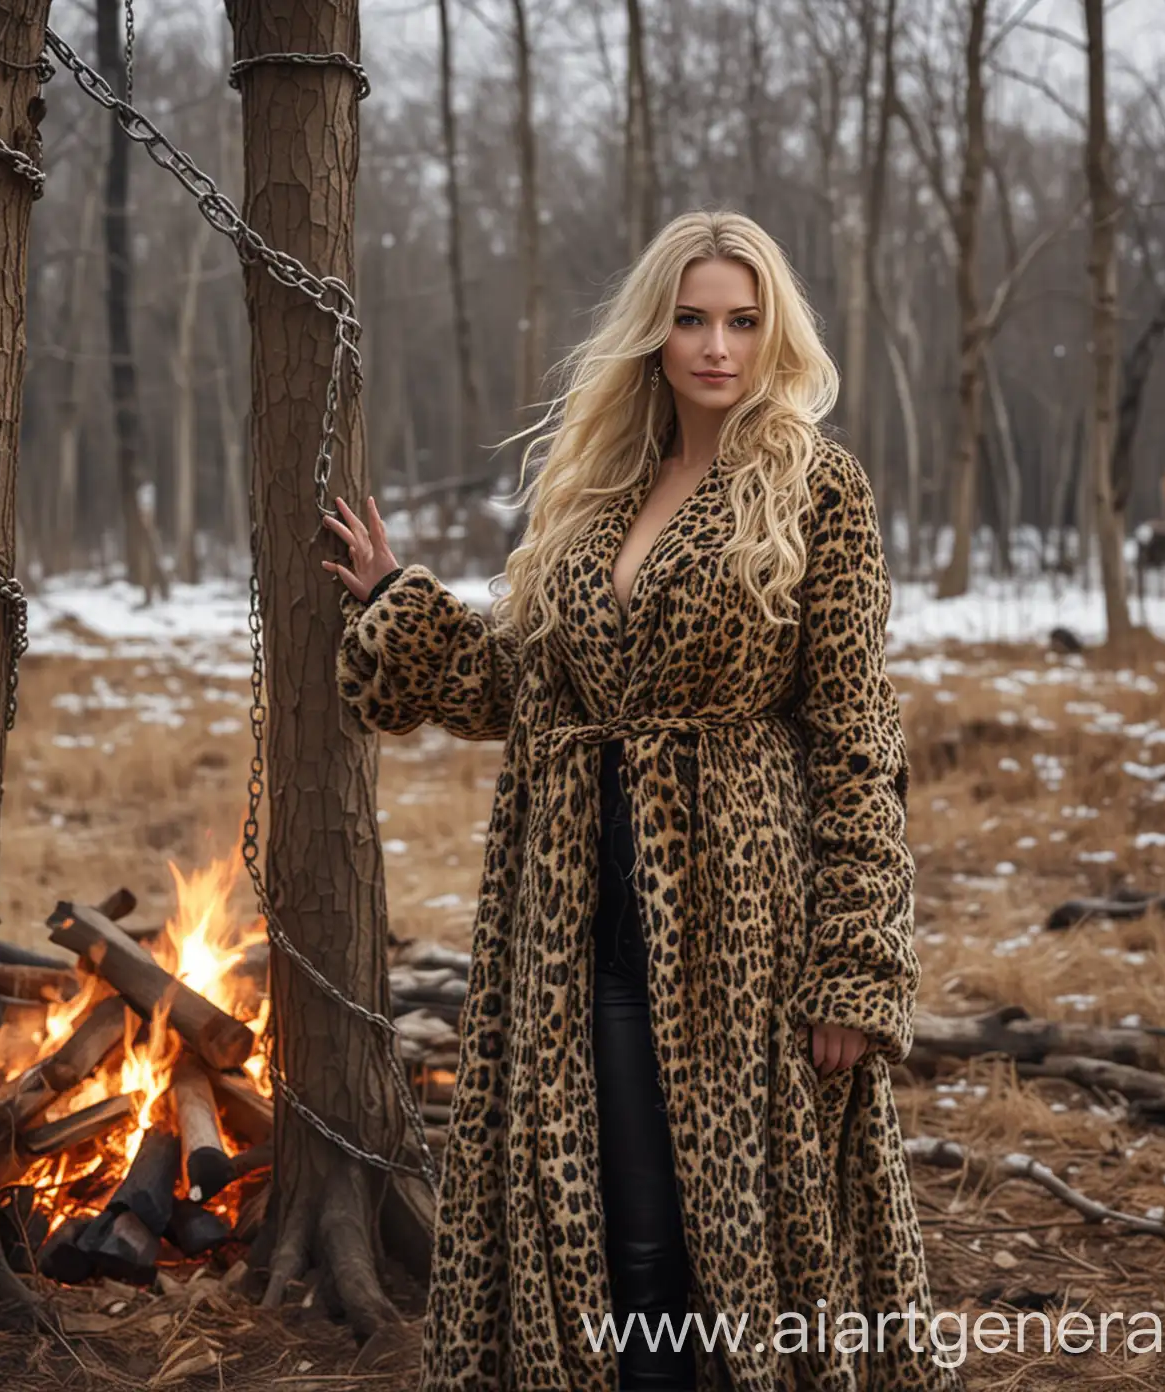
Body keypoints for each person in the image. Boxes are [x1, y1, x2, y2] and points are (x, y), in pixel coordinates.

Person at [322, 210, 957, 1392]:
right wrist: (398, 601)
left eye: (743, 320)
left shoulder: (817, 487)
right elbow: (521, 681)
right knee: (623, 1235)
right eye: (692, 317)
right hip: (573, 917)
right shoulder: (599, 486)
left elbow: (860, 739)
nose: (717, 345)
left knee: (735, 1244)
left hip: (742, 925)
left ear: (776, 335)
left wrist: (857, 964)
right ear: (653, 331)